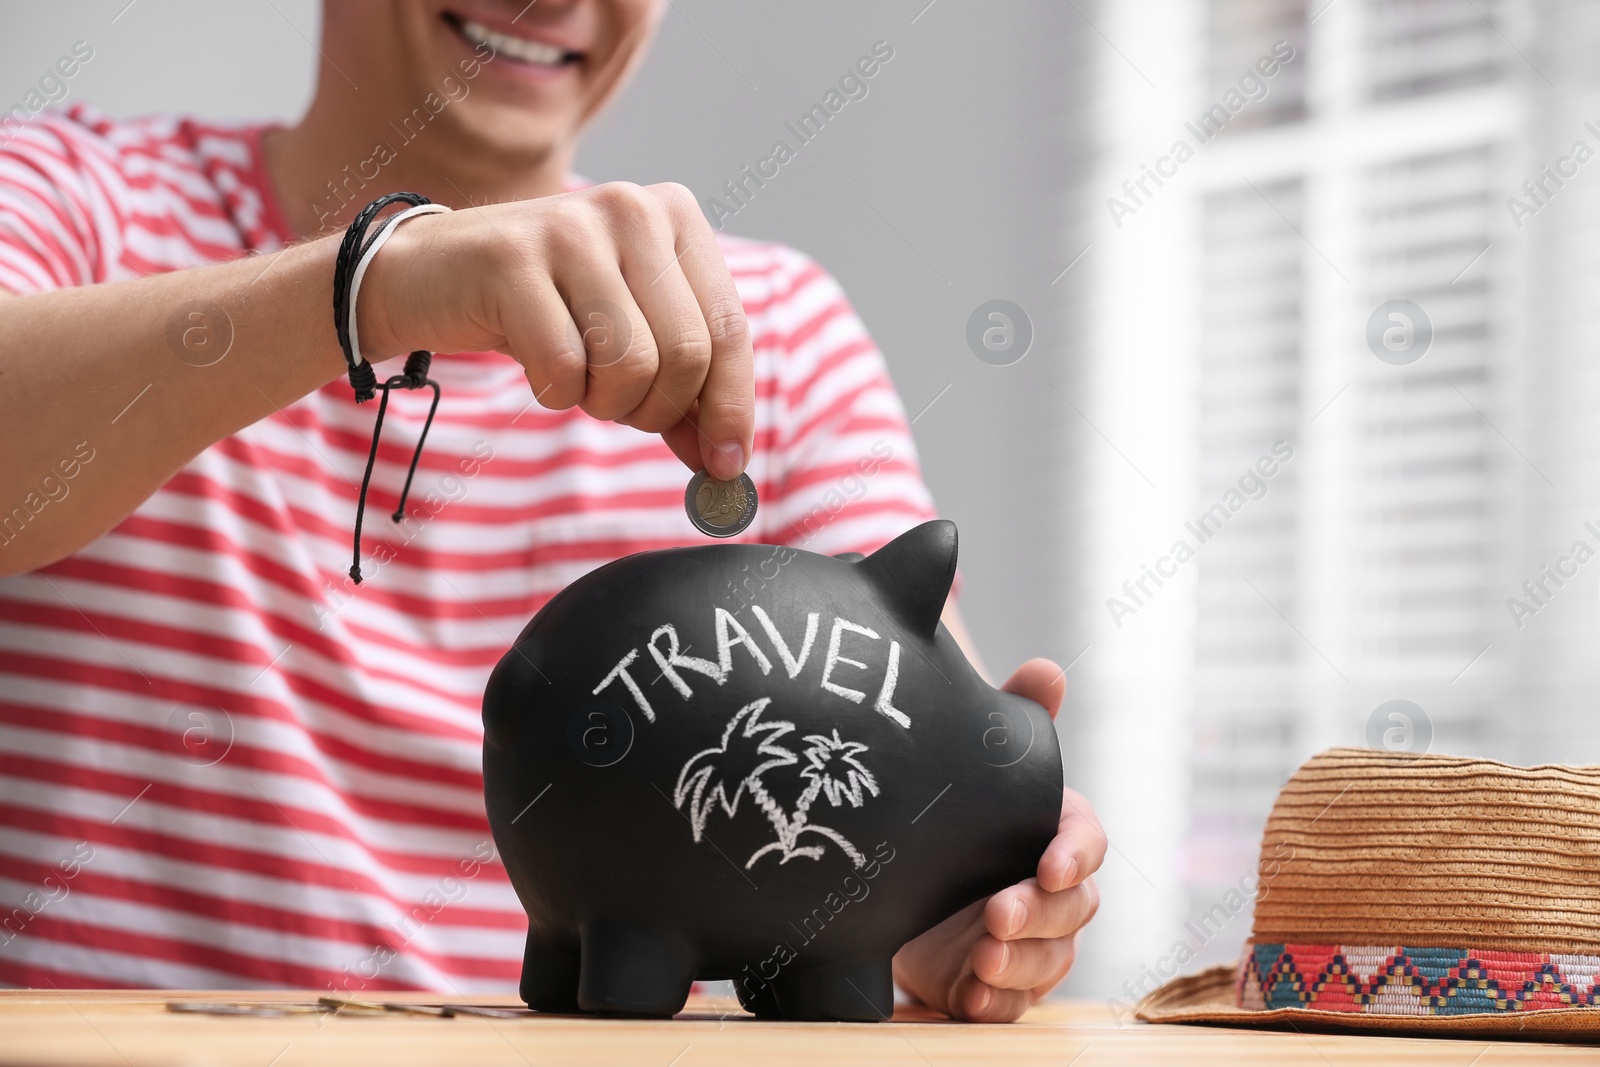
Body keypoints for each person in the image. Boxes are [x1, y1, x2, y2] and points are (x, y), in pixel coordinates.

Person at [0, 0, 1104, 1020]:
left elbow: (907, 713)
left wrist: (947, 886)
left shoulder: (778, 332)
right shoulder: (76, 200)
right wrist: (375, 282)